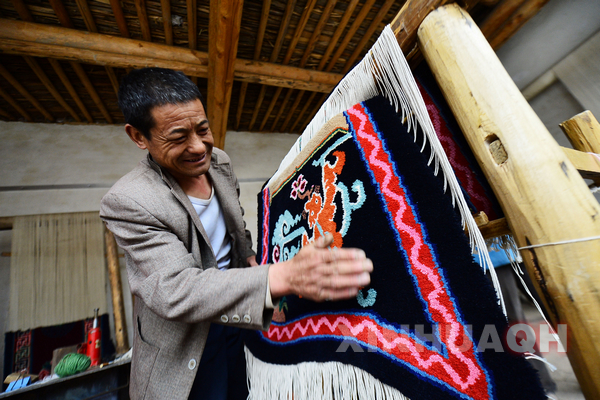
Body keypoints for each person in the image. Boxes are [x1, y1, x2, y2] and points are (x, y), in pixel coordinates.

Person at [99, 67, 372, 400]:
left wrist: (250, 258)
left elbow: (235, 228)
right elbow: (174, 288)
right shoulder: (129, 201)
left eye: (203, 129)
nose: (199, 147)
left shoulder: (219, 164)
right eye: (178, 137)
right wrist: (278, 277)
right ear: (139, 136)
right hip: (185, 343)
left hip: (237, 315)